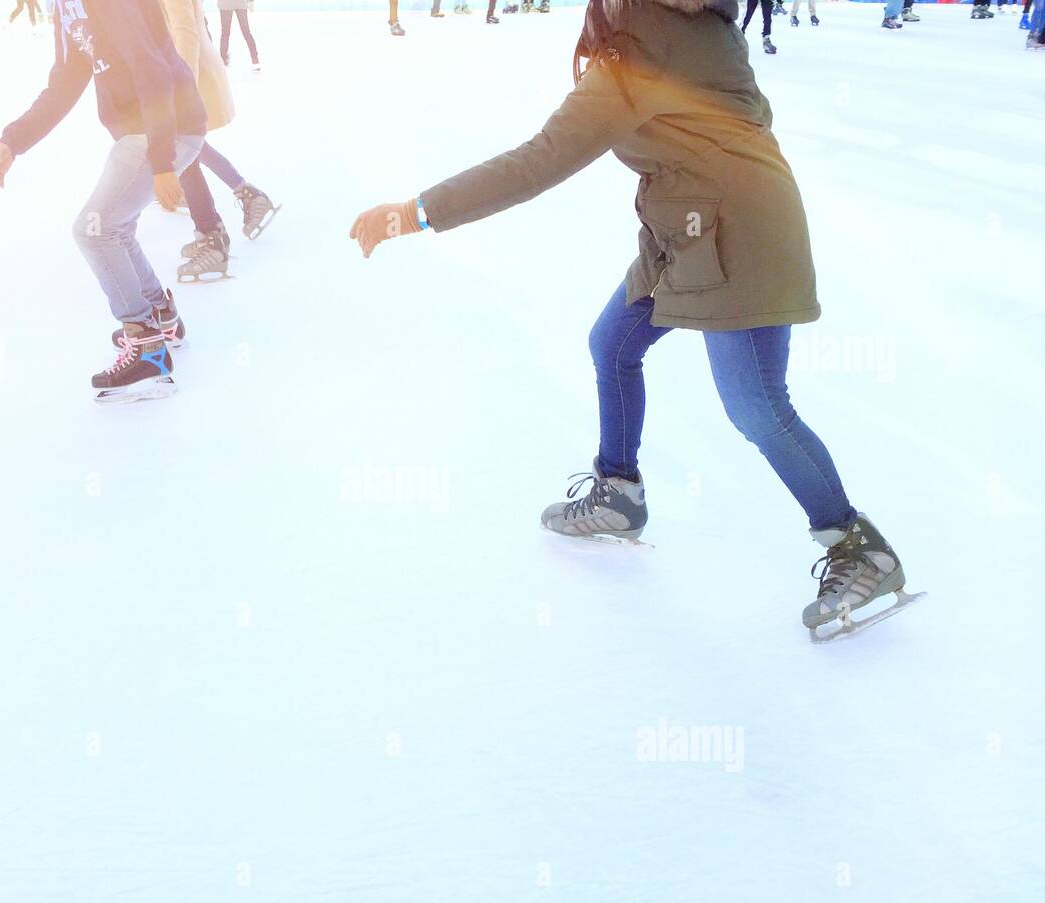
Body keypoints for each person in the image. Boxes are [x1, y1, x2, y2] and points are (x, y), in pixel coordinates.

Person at [349, 0, 916, 639]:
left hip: (740, 234)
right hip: (689, 227)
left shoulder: (642, 48)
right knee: (613, 343)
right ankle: (619, 494)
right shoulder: (686, 23)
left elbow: (537, 163)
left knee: (756, 405)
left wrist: (416, 212)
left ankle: (858, 548)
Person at [0, 0, 208, 404]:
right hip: (145, 129)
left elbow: (151, 68)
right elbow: (64, 84)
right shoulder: (65, 7)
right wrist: (12, 141)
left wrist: (162, 163)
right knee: (114, 228)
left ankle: (147, 349)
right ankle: (161, 315)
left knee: (95, 230)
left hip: (165, 126)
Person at [159, 0, 280, 283]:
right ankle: (245, 197)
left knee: (185, 150)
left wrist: (182, 90)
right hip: (191, 71)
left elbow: (184, 32)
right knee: (191, 148)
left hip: (191, 75)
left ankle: (212, 236)